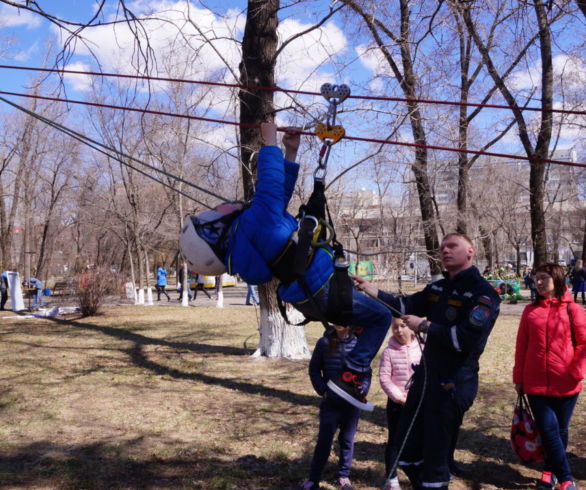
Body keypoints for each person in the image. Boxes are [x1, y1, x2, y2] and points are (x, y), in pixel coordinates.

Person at [179, 122, 392, 410]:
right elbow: (270, 183)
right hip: (323, 288)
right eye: (214, 212)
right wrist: (269, 144)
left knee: (364, 325)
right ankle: (351, 374)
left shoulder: (249, 241)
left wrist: (290, 153)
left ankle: (346, 375)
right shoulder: (252, 222)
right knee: (380, 317)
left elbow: (279, 197)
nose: (221, 205)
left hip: (310, 298)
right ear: (215, 229)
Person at [353, 233, 501, 488]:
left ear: (470, 251)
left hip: (454, 382)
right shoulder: (438, 288)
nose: (445, 250)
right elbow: (403, 304)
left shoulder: (483, 294)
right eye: (442, 247)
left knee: (435, 458)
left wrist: (425, 326)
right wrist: (369, 288)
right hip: (425, 379)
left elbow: (465, 340)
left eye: (452, 246)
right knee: (408, 450)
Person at [513, 263, 585, 490]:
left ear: (557, 279)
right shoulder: (530, 311)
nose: (539, 282)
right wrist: (519, 378)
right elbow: (521, 345)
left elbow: (584, 343)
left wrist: (576, 372)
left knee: (560, 429)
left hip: (566, 382)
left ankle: (549, 470)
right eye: (537, 278)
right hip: (535, 383)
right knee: (548, 429)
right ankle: (565, 477)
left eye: (544, 278)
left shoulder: (573, 309)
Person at [301, 324, 370, 490]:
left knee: (347, 440)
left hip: (351, 405)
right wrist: (323, 390)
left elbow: (366, 372)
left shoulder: (360, 344)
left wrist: (363, 390)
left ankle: (344, 476)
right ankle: (314, 478)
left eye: (344, 319)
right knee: (324, 441)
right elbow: (314, 370)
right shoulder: (323, 343)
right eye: (336, 319)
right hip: (330, 404)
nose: (340, 322)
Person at [379, 317, 422, 490]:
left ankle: (418, 475)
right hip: (398, 405)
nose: (399, 330)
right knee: (395, 441)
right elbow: (384, 378)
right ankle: (392, 479)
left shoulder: (422, 348)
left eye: (403, 326)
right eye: (395, 327)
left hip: (419, 404)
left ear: (411, 328)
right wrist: (399, 397)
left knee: (419, 440)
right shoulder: (388, 352)